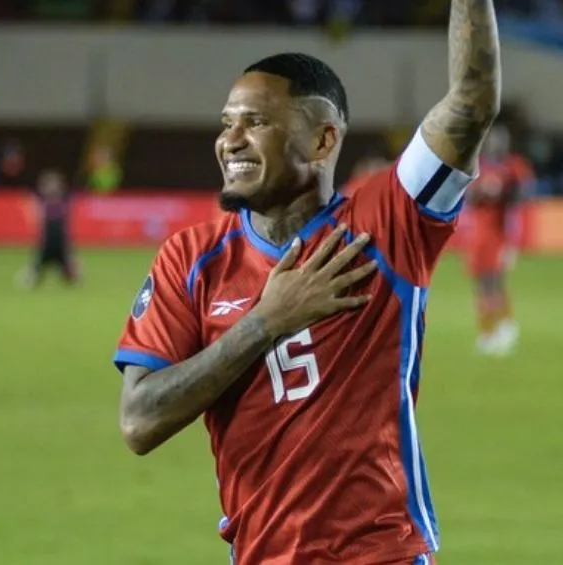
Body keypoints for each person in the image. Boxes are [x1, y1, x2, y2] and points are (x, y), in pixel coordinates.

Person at [111, 2, 501, 563]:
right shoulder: (192, 260)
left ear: (323, 142)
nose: (232, 140)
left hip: (381, 553)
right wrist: (267, 321)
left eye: (257, 122)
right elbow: (139, 420)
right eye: (227, 122)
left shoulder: (386, 224)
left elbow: (470, 104)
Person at [463, 123, 533, 356]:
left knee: (494, 283)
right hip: (477, 236)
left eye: (500, 141)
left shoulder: (512, 169)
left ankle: (503, 327)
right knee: (480, 286)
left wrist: (512, 243)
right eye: (493, 140)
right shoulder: (477, 168)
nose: (496, 145)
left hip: (497, 236)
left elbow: (516, 204)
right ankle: (487, 332)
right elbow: (466, 200)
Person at [18, 169, 80, 289]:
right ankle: (32, 277)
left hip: (60, 243)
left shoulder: (64, 203)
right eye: (49, 186)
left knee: (71, 273)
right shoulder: (42, 203)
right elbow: (38, 222)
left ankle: (70, 274)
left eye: (55, 186)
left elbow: (67, 227)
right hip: (47, 244)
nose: (52, 189)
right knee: (36, 267)